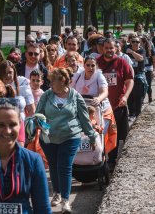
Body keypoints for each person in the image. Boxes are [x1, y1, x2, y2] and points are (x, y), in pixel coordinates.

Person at [36, 68, 97, 213]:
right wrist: (43, 127)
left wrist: (92, 136)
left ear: (63, 80)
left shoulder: (75, 96)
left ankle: (65, 201)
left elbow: (84, 118)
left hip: (70, 136)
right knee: (53, 165)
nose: (50, 84)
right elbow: (39, 115)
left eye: (52, 81)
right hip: (49, 137)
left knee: (64, 166)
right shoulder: (47, 95)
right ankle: (56, 193)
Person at [96, 39, 134, 167]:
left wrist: (126, 97)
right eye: (106, 48)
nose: (109, 50)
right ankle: (101, 161)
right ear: (102, 49)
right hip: (101, 108)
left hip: (118, 106)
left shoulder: (122, 62)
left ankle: (113, 161)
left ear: (116, 49)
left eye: (111, 48)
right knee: (101, 134)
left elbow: (130, 81)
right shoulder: (96, 63)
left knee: (119, 135)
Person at [71, 56, 117, 154]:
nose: (90, 68)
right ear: (84, 65)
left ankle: (99, 153)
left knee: (99, 132)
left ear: (96, 66)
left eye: (93, 65)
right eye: (88, 65)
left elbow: (105, 91)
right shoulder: (78, 75)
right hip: (81, 108)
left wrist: (99, 98)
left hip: (99, 109)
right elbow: (70, 90)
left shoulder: (99, 76)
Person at [126, 36, 147, 118]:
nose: (135, 43)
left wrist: (131, 52)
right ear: (130, 42)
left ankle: (138, 114)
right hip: (129, 77)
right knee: (130, 96)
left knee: (138, 96)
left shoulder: (142, 50)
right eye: (133, 42)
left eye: (137, 42)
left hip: (139, 76)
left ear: (140, 43)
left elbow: (140, 58)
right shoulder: (126, 50)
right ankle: (131, 114)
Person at [140, 36, 155, 103]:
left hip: (149, 69)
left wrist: (154, 71)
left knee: (148, 85)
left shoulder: (151, 50)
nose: (138, 44)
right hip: (142, 70)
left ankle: (150, 97)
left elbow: (154, 61)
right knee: (141, 85)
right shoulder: (139, 51)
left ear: (144, 43)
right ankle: (142, 99)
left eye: (140, 42)